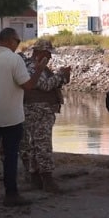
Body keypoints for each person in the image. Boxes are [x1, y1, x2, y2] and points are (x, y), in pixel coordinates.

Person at [0, 27, 37, 207]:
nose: (17, 45)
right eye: (17, 41)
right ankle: (11, 194)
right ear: (10, 41)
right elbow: (28, 85)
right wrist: (40, 69)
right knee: (10, 156)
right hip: (11, 116)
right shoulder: (14, 59)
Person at [21, 38, 71, 193]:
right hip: (39, 110)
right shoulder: (32, 66)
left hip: (37, 109)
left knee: (34, 144)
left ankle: (36, 177)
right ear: (40, 52)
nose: (50, 57)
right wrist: (61, 76)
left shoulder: (33, 66)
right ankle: (47, 179)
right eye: (48, 53)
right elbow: (44, 85)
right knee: (42, 144)